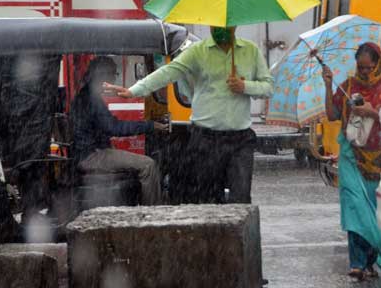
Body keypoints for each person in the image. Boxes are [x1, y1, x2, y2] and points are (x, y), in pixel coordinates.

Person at [104, 26, 273, 204]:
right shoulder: (197, 52)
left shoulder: (251, 51)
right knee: (206, 197)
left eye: (224, 26)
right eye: (215, 26)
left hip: (240, 139)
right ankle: (211, 229)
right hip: (205, 138)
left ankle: (238, 231)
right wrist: (133, 91)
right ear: (210, 26)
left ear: (234, 26)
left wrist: (245, 87)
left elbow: (268, 87)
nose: (219, 30)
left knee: (241, 197)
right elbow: (168, 72)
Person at [322, 42, 381, 281]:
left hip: (378, 160)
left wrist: (373, 112)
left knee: (373, 214)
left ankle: (369, 262)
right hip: (351, 157)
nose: (364, 72)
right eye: (360, 67)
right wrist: (327, 85)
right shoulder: (348, 86)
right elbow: (333, 115)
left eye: (368, 68)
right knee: (355, 208)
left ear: (377, 65)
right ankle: (356, 263)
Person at [71, 56, 167, 205]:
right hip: (92, 156)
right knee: (149, 165)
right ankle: (153, 215)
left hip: (88, 153)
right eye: (113, 74)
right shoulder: (91, 98)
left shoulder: (86, 94)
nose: (114, 79)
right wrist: (150, 126)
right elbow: (114, 127)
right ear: (103, 74)